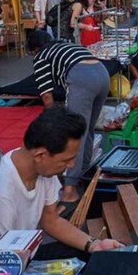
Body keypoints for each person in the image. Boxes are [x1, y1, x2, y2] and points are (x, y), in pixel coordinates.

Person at [0, 106, 124, 257]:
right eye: (67, 160)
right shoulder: (1, 193)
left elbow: (51, 220)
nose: (71, 165)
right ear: (40, 155)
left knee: (99, 255)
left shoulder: (41, 168)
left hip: (26, 252)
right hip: (3, 260)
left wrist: (94, 244)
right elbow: (3, 257)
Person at [27, 31, 110, 205]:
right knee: (87, 129)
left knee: (74, 134)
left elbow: (47, 96)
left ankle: (69, 189)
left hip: (82, 78)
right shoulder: (66, 44)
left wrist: (53, 121)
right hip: (102, 73)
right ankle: (85, 174)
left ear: (35, 49)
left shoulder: (41, 56)